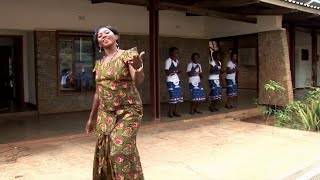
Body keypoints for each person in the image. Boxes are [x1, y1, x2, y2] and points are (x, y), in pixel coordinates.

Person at [85, 26, 145, 180]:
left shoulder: (128, 55)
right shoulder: (99, 64)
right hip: (105, 114)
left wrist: (138, 68)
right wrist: (91, 118)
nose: (103, 36)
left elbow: (137, 80)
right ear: (98, 43)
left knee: (120, 150)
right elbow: (98, 93)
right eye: (99, 35)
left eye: (107, 32)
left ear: (116, 37)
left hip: (128, 112)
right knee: (105, 151)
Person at [165, 47, 183, 118]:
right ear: (171, 53)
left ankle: (175, 111)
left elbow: (177, 69)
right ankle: (170, 112)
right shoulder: (168, 61)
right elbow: (166, 72)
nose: (176, 54)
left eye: (177, 52)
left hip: (177, 81)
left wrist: (178, 71)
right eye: (175, 52)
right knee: (173, 97)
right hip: (170, 81)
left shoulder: (177, 61)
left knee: (178, 97)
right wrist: (174, 70)